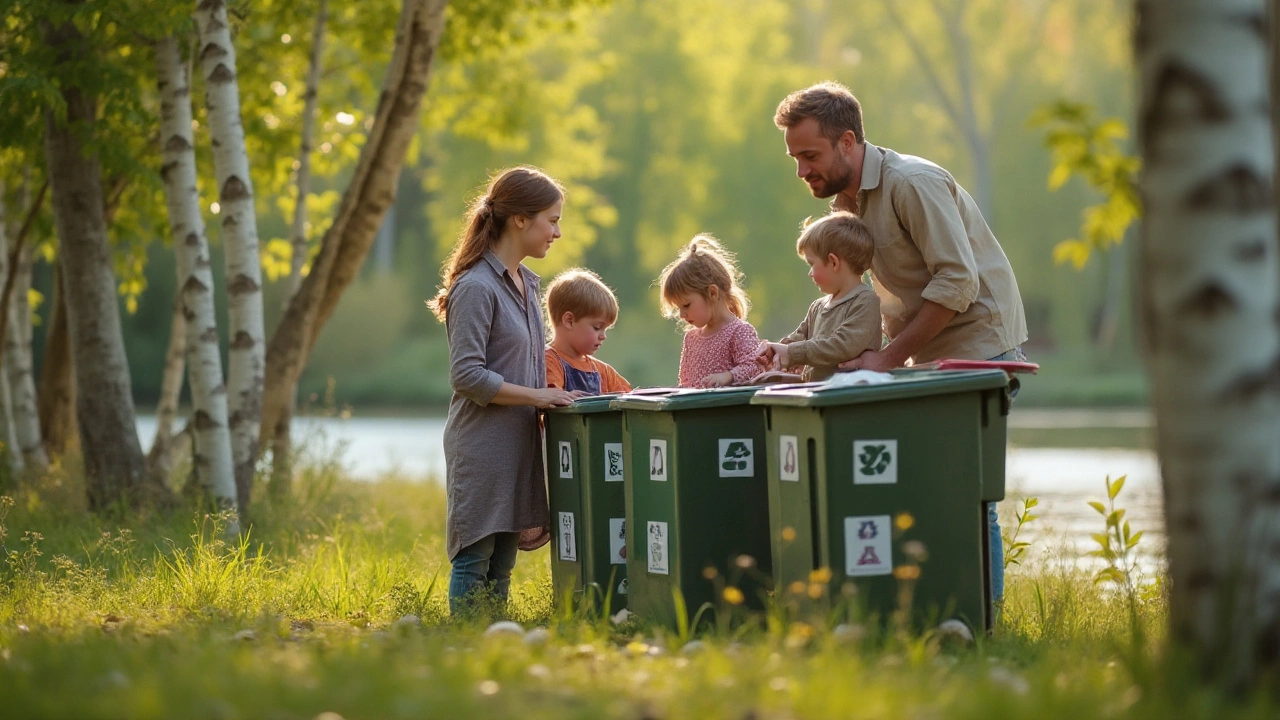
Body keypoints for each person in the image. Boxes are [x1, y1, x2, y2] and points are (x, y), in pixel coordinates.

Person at [774, 82, 1029, 604]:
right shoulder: (843, 207)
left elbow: (958, 283)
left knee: (966, 492)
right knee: (919, 490)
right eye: (795, 158)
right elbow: (856, 300)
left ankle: (983, 619)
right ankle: (931, 609)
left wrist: (888, 359)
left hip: (980, 349)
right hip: (923, 356)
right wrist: (806, 359)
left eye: (810, 155)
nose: (801, 170)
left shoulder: (912, 183)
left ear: (848, 142)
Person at [427, 166, 579, 616]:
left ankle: (492, 645)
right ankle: (462, 648)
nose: (557, 231)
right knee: (476, 558)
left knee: (504, 564)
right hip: (482, 446)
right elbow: (467, 376)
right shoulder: (475, 287)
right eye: (550, 220)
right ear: (519, 219)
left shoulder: (527, 284)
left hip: (518, 445)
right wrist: (537, 398)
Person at [759, 211, 882, 383]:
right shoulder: (818, 306)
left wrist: (791, 352)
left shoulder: (865, 301)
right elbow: (800, 337)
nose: (810, 273)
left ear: (833, 262)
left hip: (850, 394)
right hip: (819, 392)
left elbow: (842, 345)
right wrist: (776, 349)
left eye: (811, 264)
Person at [659, 235, 764, 388]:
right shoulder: (691, 338)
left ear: (712, 293)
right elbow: (685, 382)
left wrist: (728, 376)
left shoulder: (739, 331)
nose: (681, 315)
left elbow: (754, 368)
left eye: (686, 305)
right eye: (678, 308)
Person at [544, 268, 632, 395]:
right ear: (569, 321)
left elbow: (630, 397)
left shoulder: (603, 371)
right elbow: (552, 398)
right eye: (597, 327)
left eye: (605, 329)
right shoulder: (548, 361)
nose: (603, 336)